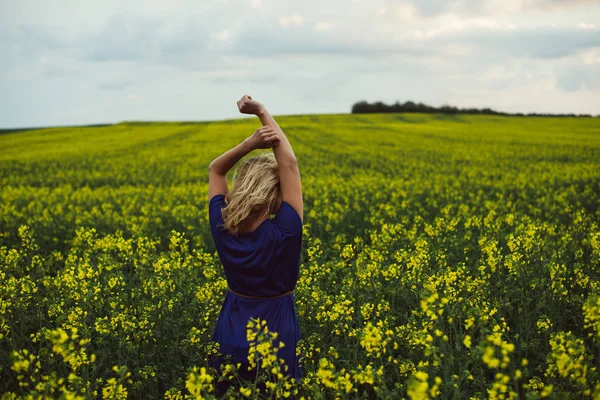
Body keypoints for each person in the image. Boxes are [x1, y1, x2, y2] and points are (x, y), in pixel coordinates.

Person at [207, 94, 304, 396]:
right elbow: (289, 163)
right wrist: (261, 111)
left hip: (231, 329)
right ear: (274, 195)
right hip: (278, 333)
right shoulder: (286, 232)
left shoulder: (221, 226)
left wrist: (250, 143)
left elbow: (215, 170)